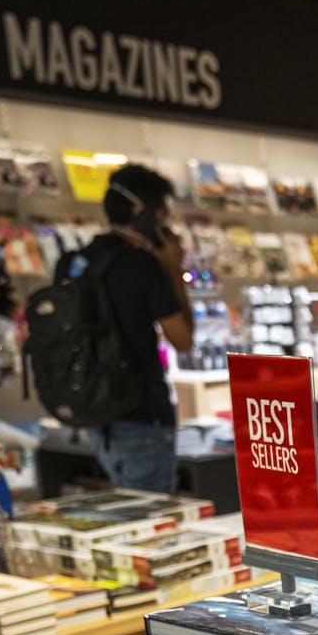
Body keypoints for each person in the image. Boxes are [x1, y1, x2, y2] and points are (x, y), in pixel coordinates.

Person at [77, 164, 193, 493]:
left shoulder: (80, 260)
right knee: (151, 524)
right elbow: (182, 338)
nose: (164, 225)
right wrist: (173, 270)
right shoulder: (142, 265)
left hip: (93, 413)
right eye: (162, 216)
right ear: (142, 212)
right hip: (142, 415)